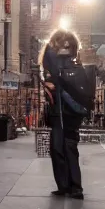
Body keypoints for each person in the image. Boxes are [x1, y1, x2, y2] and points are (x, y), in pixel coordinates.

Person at [39, 29, 85, 200]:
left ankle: (69, 186)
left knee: (60, 147)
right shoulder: (75, 59)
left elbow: (55, 78)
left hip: (61, 111)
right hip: (72, 112)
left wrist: (52, 84)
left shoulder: (54, 57)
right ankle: (72, 186)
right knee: (68, 147)